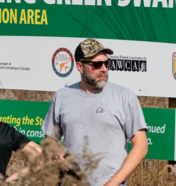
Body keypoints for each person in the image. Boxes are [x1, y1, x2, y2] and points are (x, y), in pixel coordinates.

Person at [42, 38, 148, 186]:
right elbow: (49, 140)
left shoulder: (124, 96)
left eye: (107, 63)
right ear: (80, 66)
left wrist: (112, 184)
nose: (104, 68)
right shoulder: (62, 96)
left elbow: (141, 147)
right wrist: (56, 152)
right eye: (97, 64)